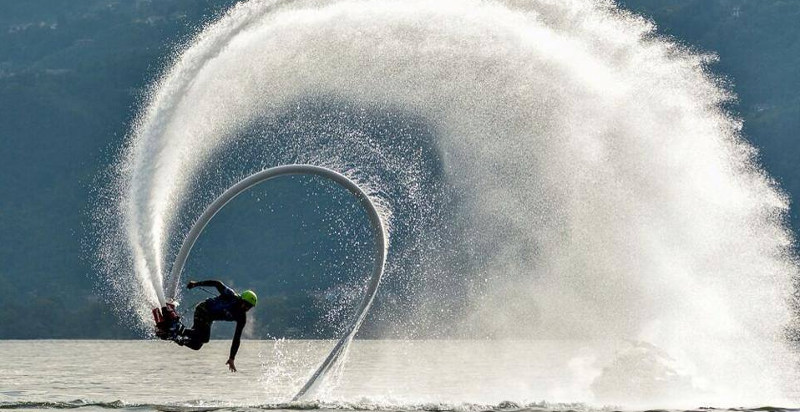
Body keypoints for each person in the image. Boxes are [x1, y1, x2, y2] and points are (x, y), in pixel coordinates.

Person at [174, 280, 257, 372]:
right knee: (204, 337)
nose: (246, 308)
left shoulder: (241, 318)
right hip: (203, 309)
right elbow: (217, 283)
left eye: (249, 307)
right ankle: (178, 328)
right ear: (241, 299)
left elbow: (236, 338)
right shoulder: (231, 296)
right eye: (246, 304)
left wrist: (232, 358)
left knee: (196, 345)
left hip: (209, 318)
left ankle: (175, 337)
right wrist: (196, 284)